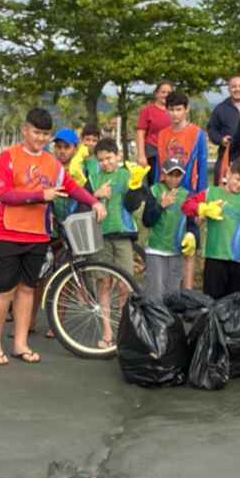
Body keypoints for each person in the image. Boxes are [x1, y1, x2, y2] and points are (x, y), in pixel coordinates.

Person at [0, 107, 102, 367]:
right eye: (36, 132)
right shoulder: (8, 157)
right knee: (4, 290)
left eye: (44, 134)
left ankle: (20, 344)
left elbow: (70, 187)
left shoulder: (52, 163)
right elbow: (4, 195)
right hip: (6, 232)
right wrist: (40, 195)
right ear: (25, 130)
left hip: (38, 235)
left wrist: (95, 202)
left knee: (28, 289)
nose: (39, 139)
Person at [85, 138, 151, 338]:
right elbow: (81, 205)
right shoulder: (93, 178)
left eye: (109, 158)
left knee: (125, 284)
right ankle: (106, 331)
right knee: (103, 282)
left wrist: (135, 185)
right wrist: (96, 194)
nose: (106, 162)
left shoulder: (126, 174)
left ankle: (122, 329)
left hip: (123, 235)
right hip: (100, 236)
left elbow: (133, 205)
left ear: (118, 155)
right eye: (101, 159)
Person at [184, 155, 240, 299]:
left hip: (238, 260)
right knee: (212, 302)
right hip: (215, 257)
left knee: (236, 305)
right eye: (237, 179)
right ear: (228, 173)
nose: (239, 184)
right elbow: (186, 205)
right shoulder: (211, 193)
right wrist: (202, 209)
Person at [157, 90, 210, 289]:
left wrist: (201, 201)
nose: (175, 114)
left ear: (186, 110)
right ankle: (169, 291)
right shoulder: (163, 134)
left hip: (190, 196)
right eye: (171, 110)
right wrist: (157, 192)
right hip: (168, 195)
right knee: (169, 244)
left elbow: (203, 167)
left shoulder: (197, 134)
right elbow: (159, 168)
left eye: (178, 109)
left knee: (189, 247)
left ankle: (187, 294)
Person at [139, 159, 193, 296]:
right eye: (170, 174)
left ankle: (170, 318)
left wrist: (192, 236)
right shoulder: (154, 190)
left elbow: (192, 223)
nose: (174, 179)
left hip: (176, 251)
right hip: (156, 250)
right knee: (155, 294)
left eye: (178, 175)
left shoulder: (187, 195)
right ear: (164, 173)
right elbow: (147, 221)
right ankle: (153, 317)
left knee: (173, 295)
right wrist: (161, 205)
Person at [134, 80, 175, 178]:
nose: (165, 95)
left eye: (168, 93)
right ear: (156, 94)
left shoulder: (174, 111)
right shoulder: (147, 110)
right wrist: (141, 155)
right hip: (152, 151)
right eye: (163, 92)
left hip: (170, 151)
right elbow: (140, 132)